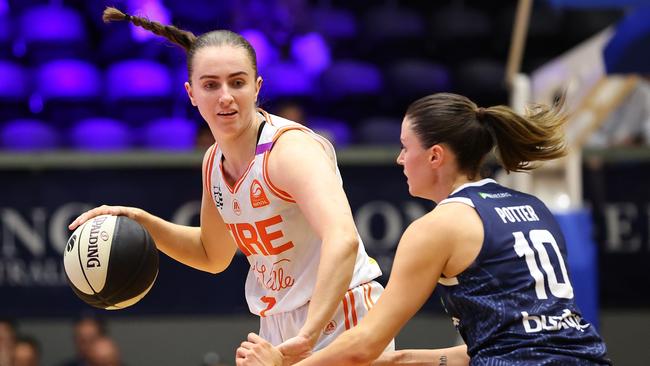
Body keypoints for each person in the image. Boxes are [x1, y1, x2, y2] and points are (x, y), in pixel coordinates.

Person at [69, 6, 390, 363]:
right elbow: (212, 253)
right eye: (211, 85)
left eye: (237, 82)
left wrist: (308, 334)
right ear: (191, 93)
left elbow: (342, 238)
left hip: (338, 314)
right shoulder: (213, 162)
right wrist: (144, 223)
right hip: (279, 321)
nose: (225, 96)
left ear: (257, 87)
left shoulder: (290, 151)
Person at [236, 92, 612, 365]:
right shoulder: (534, 207)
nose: (400, 159)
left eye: (405, 147)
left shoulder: (439, 226)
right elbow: (508, 340)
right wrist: (401, 359)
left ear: (435, 156)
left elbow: (364, 343)